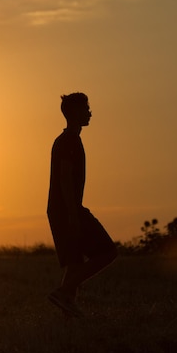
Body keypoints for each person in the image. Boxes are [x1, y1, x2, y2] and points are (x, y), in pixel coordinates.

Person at [47, 92, 117, 318]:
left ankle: (68, 305)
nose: (90, 112)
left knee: (75, 262)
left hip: (65, 209)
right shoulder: (69, 141)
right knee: (108, 252)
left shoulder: (69, 140)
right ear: (74, 112)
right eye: (86, 108)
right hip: (67, 210)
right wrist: (73, 215)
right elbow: (65, 177)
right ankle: (64, 291)